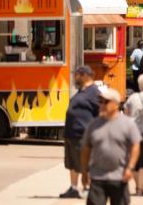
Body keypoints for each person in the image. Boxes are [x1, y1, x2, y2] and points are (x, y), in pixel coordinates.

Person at [80, 88, 141, 205]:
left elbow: (135, 146)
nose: (102, 105)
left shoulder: (128, 124)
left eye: (106, 102)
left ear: (116, 105)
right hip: (97, 177)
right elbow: (86, 149)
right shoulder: (93, 124)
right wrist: (84, 172)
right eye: (100, 102)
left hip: (119, 177)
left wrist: (130, 167)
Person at [60, 66, 101, 199]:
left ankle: (88, 188)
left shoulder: (94, 92)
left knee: (84, 163)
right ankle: (73, 188)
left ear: (84, 75)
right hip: (71, 134)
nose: (74, 77)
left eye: (76, 75)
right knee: (72, 162)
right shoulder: (81, 91)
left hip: (83, 134)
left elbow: (100, 112)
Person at [124, 74, 143, 196]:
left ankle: (138, 186)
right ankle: (141, 188)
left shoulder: (132, 97)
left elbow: (126, 113)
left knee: (135, 161)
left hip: (132, 132)